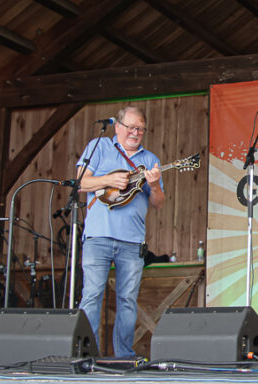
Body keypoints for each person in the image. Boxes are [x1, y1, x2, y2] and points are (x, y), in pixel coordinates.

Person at [77, 105, 165, 358]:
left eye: (141, 129)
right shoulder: (99, 146)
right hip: (98, 236)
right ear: (118, 126)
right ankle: (87, 355)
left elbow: (158, 203)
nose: (136, 133)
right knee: (92, 295)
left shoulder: (149, 159)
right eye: (131, 127)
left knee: (127, 299)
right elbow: (81, 182)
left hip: (132, 240)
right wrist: (108, 180)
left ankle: (124, 355)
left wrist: (155, 185)